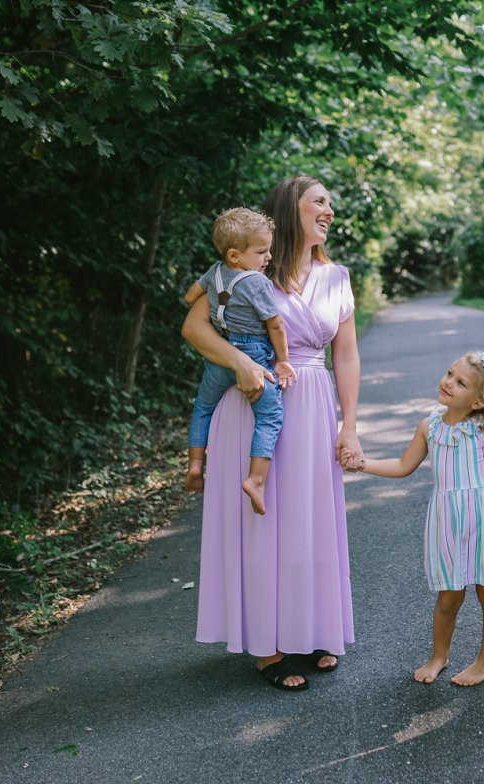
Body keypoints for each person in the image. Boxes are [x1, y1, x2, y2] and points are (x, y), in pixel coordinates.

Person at [182, 175, 363, 691]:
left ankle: (312, 628)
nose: (330, 210)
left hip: (312, 404)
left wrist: (348, 426)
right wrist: (240, 361)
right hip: (254, 402)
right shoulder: (247, 269)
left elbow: (345, 356)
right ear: (291, 210)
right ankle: (268, 646)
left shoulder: (337, 276)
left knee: (309, 521)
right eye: (319, 202)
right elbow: (193, 328)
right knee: (263, 525)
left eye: (331, 201)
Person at [343, 352, 484, 686]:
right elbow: (403, 466)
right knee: (448, 596)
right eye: (450, 373)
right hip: (447, 521)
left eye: (460, 382)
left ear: (479, 401)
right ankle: (439, 656)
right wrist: (362, 464)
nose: (448, 382)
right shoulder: (430, 426)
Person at [181, 208, 297, 514]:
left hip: (219, 358)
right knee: (269, 417)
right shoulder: (257, 283)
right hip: (255, 354)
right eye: (261, 252)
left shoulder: (214, 272)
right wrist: (282, 360)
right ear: (235, 254)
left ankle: (194, 466)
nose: (268, 258)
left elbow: (190, 297)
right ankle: (256, 480)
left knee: (203, 407)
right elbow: (275, 325)